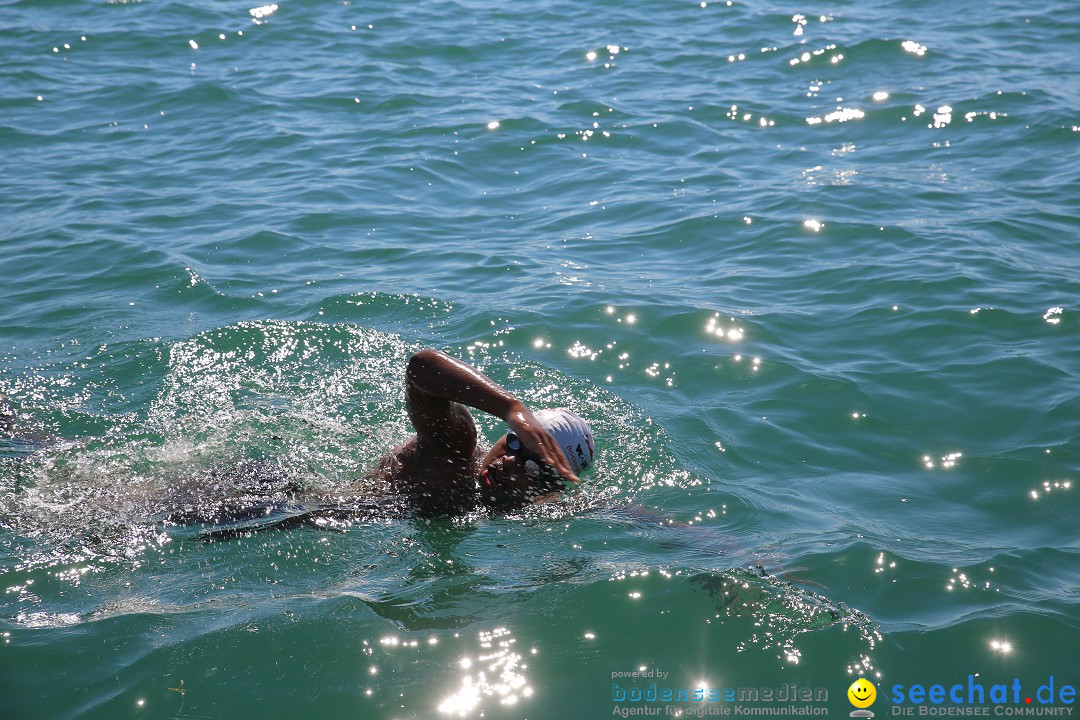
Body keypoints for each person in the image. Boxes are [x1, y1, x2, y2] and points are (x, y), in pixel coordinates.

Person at [360, 348, 595, 513]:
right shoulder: (454, 452)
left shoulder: (526, 505)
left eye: (532, 466)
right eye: (514, 443)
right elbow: (421, 365)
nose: (510, 462)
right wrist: (512, 410)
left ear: (550, 488)